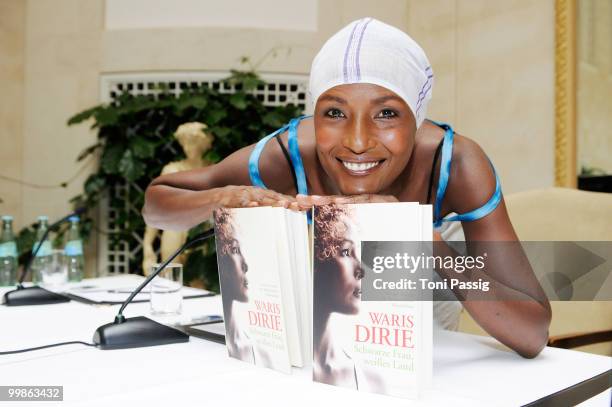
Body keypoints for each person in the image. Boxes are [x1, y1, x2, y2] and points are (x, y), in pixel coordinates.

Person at [143, 18, 551, 358]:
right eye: (334, 112)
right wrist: (222, 199)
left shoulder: (455, 164)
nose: (357, 141)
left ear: (418, 117)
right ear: (313, 114)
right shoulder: (287, 155)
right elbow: (156, 204)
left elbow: (532, 332)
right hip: (330, 288)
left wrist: (425, 243)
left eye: (387, 113)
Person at [312, 204, 383, 391]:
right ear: (317, 258)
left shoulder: (372, 381)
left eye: (358, 252)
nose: (361, 269)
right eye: (346, 252)